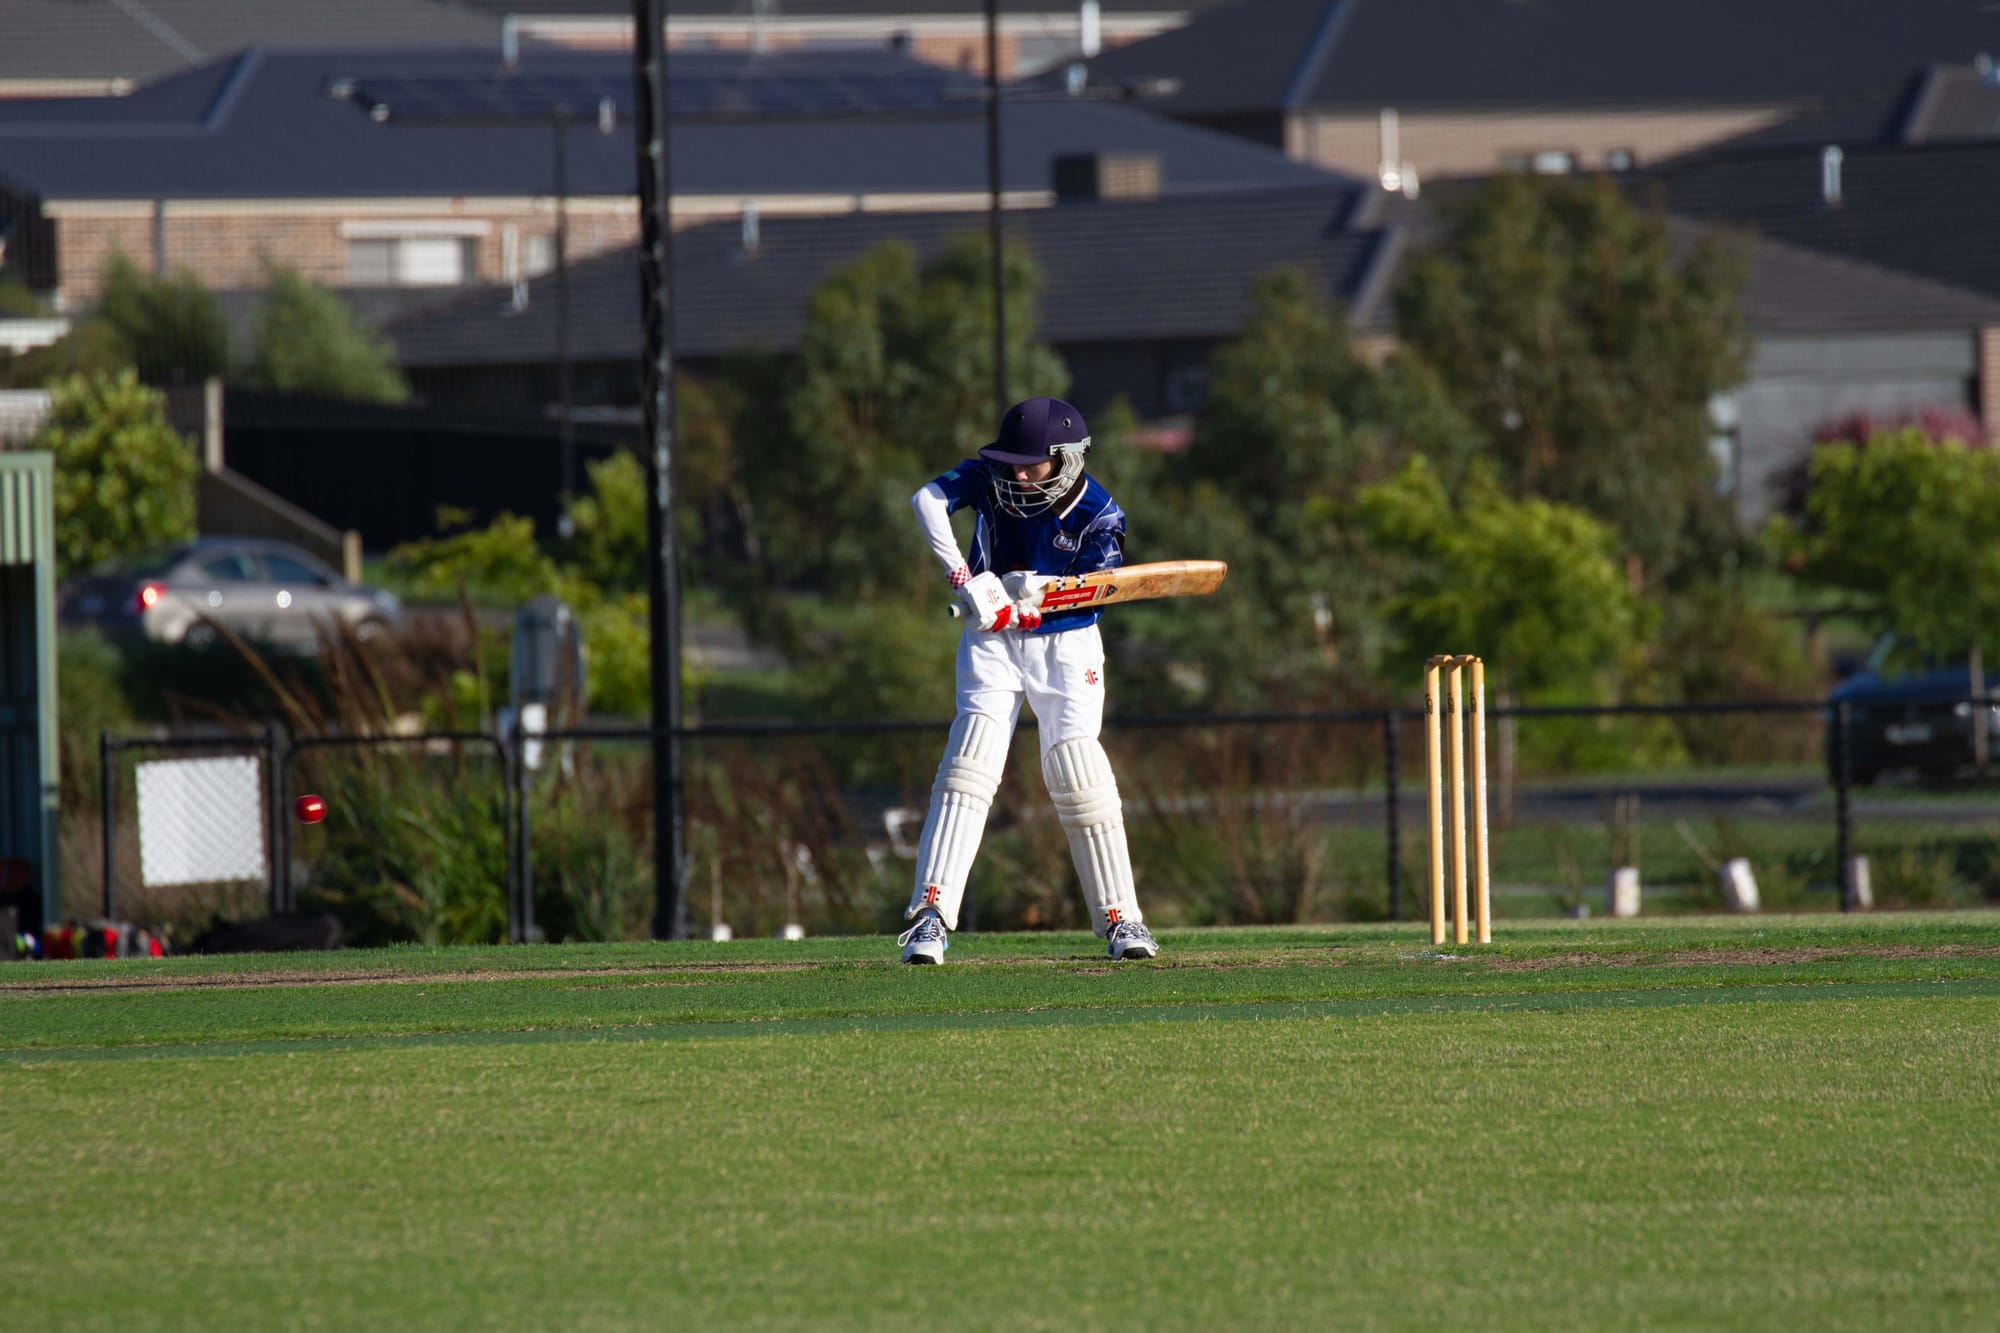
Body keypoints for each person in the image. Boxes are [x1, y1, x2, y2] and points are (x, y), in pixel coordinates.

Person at [896, 396, 1158, 965]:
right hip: (992, 640)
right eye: (1011, 461)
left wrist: (1035, 594)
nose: (1017, 473)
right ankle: (930, 918)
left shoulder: (1101, 513)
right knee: (970, 762)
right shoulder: (989, 478)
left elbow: (1099, 585)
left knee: (1076, 767)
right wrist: (968, 580)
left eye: (1031, 463)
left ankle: (1121, 920)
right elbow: (927, 501)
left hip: (1067, 646)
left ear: (1066, 458)